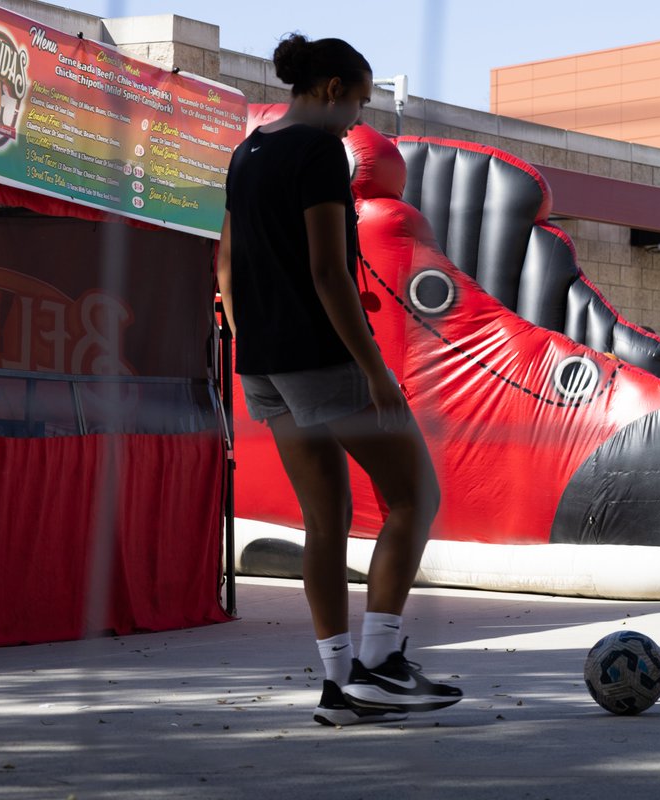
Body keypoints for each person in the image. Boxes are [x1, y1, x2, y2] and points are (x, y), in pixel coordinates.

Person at [217, 35, 461, 726]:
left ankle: (338, 684)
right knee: (414, 496)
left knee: (324, 521)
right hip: (323, 358)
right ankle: (381, 664)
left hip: (264, 363)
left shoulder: (249, 149)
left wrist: (253, 338)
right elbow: (329, 273)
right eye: (358, 100)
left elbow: (227, 264)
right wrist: (373, 369)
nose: (358, 117)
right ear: (331, 89)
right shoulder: (321, 151)